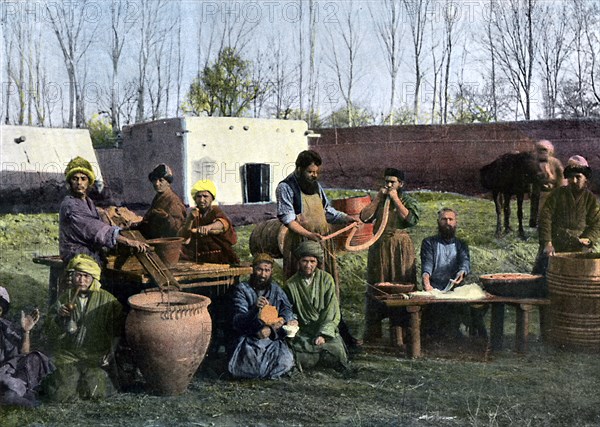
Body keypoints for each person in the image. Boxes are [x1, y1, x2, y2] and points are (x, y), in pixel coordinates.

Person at [276, 150, 360, 349]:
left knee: (327, 288)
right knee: (300, 290)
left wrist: (347, 218)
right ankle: (299, 335)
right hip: (301, 244)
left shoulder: (316, 187)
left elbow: (328, 212)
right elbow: (287, 219)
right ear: (298, 169)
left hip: (322, 244)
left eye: (316, 172)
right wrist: (308, 234)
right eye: (310, 172)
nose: (314, 175)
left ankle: (335, 332)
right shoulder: (285, 187)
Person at [43, 254, 125, 402]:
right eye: (78, 275)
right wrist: (59, 318)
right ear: (72, 277)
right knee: (60, 394)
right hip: (68, 355)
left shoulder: (108, 301)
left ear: (94, 278)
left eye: (86, 276)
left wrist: (111, 352)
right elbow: (50, 331)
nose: (81, 280)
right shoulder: (64, 298)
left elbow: (118, 331)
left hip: (95, 355)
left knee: (95, 391)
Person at [359, 168, 419, 342]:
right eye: (387, 181)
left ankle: (403, 333)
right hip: (379, 247)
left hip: (400, 248)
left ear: (401, 184)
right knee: (377, 285)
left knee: (401, 284)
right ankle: (374, 335)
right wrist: (378, 198)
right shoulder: (380, 199)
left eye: (393, 182)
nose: (389, 185)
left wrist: (395, 199)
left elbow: (411, 219)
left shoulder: (407, 200)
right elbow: (364, 216)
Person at [59, 156, 148, 266]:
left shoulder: (88, 201)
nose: (79, 183)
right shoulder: (70, 205)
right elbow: (92, 228)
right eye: (75, 179)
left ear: (89, 182)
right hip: (76, 254)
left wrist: (119, 227)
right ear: (70, 182)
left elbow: (99, 223)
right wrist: (127, 241)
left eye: (83, 178)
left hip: (89, 251)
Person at [228, 253, 297, 379]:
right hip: (250, 338)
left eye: (267, 270)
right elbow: (238, 320)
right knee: (253, 367)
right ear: (253, 270)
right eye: (259, 269)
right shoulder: (242, 289)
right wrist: (255, 309)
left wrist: (286, 321)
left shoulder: (275, 290)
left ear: (271, 272)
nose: (263, 275)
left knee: (285, 361)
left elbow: (286, 309)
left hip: (272, 338)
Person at [284, 241, 349, 372]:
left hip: (324, 328)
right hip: (304, 331)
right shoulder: (291, 284)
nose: (308, 265)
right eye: (305, 261)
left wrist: (323, 335)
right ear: (299, 261)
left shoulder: (326, 279)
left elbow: (331, 311)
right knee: (297, 353)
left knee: (336, 352)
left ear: (317, 262)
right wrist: (293, 319)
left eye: (312, 261)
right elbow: (288, 309)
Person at [533, 155, 600, 275]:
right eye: (570, 177)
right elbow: (545, 219)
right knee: (544, 277)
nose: (573, 181)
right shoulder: (557, 195)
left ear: (585, 179)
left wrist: (589, 238)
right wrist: (547, 242)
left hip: (578, 246)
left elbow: (596, 223)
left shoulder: (590, 199)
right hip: (556, 244)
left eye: (578, 177)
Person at [420, 208, 477, 338]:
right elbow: (427, 265)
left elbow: (465, 262)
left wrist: (461, 273)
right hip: (435, 288)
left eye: (450, 219)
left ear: (455, 222)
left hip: (456, 288)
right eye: (444, 219)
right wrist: (426, 283)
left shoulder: (461, 244)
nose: (447, 222)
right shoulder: (429, 242)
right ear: (438, 222)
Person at [0, 287, 54, 407]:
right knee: (9, 392)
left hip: (5, 374)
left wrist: (26, 332)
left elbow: (23, 355)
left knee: (35, 358)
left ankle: (19, 393)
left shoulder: (6, 328)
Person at [179, 179, 239, 264]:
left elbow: (222, 223)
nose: (202, 200)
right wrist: (190, 219)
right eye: (199, 196)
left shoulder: (215, 210)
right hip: (200, 258)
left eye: (205, 196)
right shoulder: (194, 214)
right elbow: (184, 237)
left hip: (220, 256)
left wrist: (208, 227)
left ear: (212, 198)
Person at [134, 164, 187, 239]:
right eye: (154, 180)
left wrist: (166, 217)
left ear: (168, 182)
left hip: (166, 244)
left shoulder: (173, 201)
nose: (156, 183)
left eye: (161, 180)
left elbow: (178, 229)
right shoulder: (158, 197)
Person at [529, 140, 564, 228]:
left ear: (550, 151)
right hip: (538, 189)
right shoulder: (534, 162)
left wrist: (559, 187)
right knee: (536, 206)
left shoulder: (555, 162)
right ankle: (536, 223)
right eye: (540, 150)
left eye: (544, 150)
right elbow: (530, 177)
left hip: (552, 189)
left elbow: (560, 176)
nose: (542, 153)